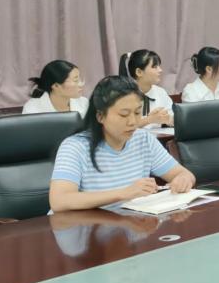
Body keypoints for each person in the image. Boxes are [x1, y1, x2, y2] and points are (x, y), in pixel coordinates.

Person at [48, 76, 195, 212]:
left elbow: (184, 174)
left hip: (129, 223)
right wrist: (124, 193)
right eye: (124, 114)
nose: (133, 122)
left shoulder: (143, 139)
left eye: (137, 113)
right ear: (100, 116)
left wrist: (183, 180)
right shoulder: (75, 147)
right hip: (86, 227)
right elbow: (59, 201)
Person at [119, 50, 173, 128]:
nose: (160, 70)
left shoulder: (160, 92)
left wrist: (170, 119)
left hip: (159, 135)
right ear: (139, 72)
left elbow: (172, 116)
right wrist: (150, 119)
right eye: (155, 67)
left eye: (159, 66)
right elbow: (122, 126)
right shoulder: (124, 95)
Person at [22, 60, 89, 116]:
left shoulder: (84, 103)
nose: (82, 84)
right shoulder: (32, 108)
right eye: (76, 80)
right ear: (56, 86)